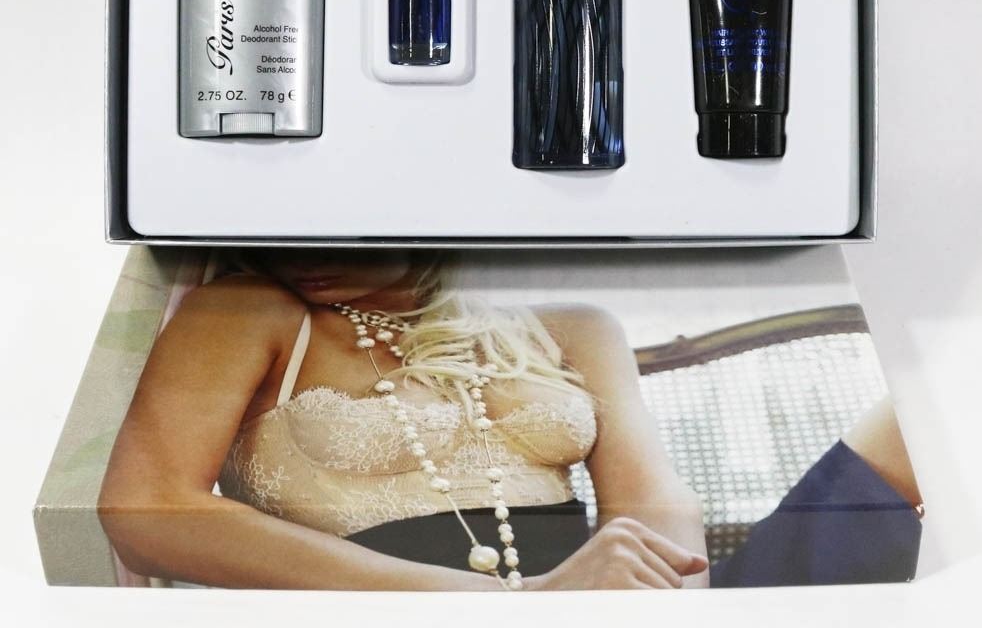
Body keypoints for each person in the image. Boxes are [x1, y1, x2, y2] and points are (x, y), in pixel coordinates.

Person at [98, 251, 921, 590]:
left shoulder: (569, 320)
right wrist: (504, 606)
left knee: (912, 424)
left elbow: (652, 500)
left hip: (608, 615)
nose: (307, 241)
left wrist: (667, 602)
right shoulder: (245, 310)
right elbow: (146, 509)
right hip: (408, 617)